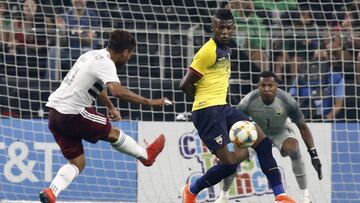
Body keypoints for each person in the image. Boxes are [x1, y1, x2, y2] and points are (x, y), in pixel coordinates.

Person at [39, 30, 171, 203]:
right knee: (113, 133)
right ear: (125, 52)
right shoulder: (107, 63)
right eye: (130, 54)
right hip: (73, 113)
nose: (128, 58)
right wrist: (150, 102)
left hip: (54, 115)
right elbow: (116, 90)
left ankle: (51, 192)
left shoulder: (92, 55)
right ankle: (146, 156)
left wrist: (110, 107)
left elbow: (98, 86)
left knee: (77, 163)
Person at [179, 8, 295, 203]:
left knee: (263, 141)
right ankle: (191, 190)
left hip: (224, 108)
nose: (224, 32)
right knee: (230, 165)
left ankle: (280, 196)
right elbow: (184, 85)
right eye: (220, 28)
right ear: (213, 28)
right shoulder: (208, 51)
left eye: (228, 28)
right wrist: (204, 101)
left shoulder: (227, 49)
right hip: (207, 112)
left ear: (233, 29)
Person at [215, 71, 323, 203]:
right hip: (256, 133)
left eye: (270, 85)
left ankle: (305, 196)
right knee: (232, 160)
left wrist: (314, 155)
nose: (267, 89)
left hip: (280, 130)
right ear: (258, 86)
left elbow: (303, 127)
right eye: (263, 85)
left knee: (294, 150)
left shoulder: (287, 100)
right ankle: (223, 196)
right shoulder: (248, 101)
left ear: (276, 86)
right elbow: (234, 125)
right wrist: (227, 148)